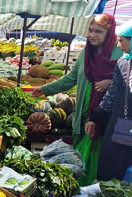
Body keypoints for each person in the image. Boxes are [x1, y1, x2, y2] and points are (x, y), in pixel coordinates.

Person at [34, 14, 122, 184]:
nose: (92, 35)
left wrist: (110, 82)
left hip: (105, 118)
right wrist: (44, 89)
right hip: (83, 114)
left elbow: (128, 80)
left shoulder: (119, 53)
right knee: (80, 157)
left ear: (109, 33)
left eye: (98, 31)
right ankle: (78, 193)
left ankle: (95, 194)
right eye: (90, 30)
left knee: (99, 157)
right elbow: (70, 79)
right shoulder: (85, 54)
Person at [89, 20, 132, 181]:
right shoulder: (122, 62)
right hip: (120, 123)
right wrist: (95, 118)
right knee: (112, 166)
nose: (118, 45)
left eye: (121, 41)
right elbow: (111, 95)